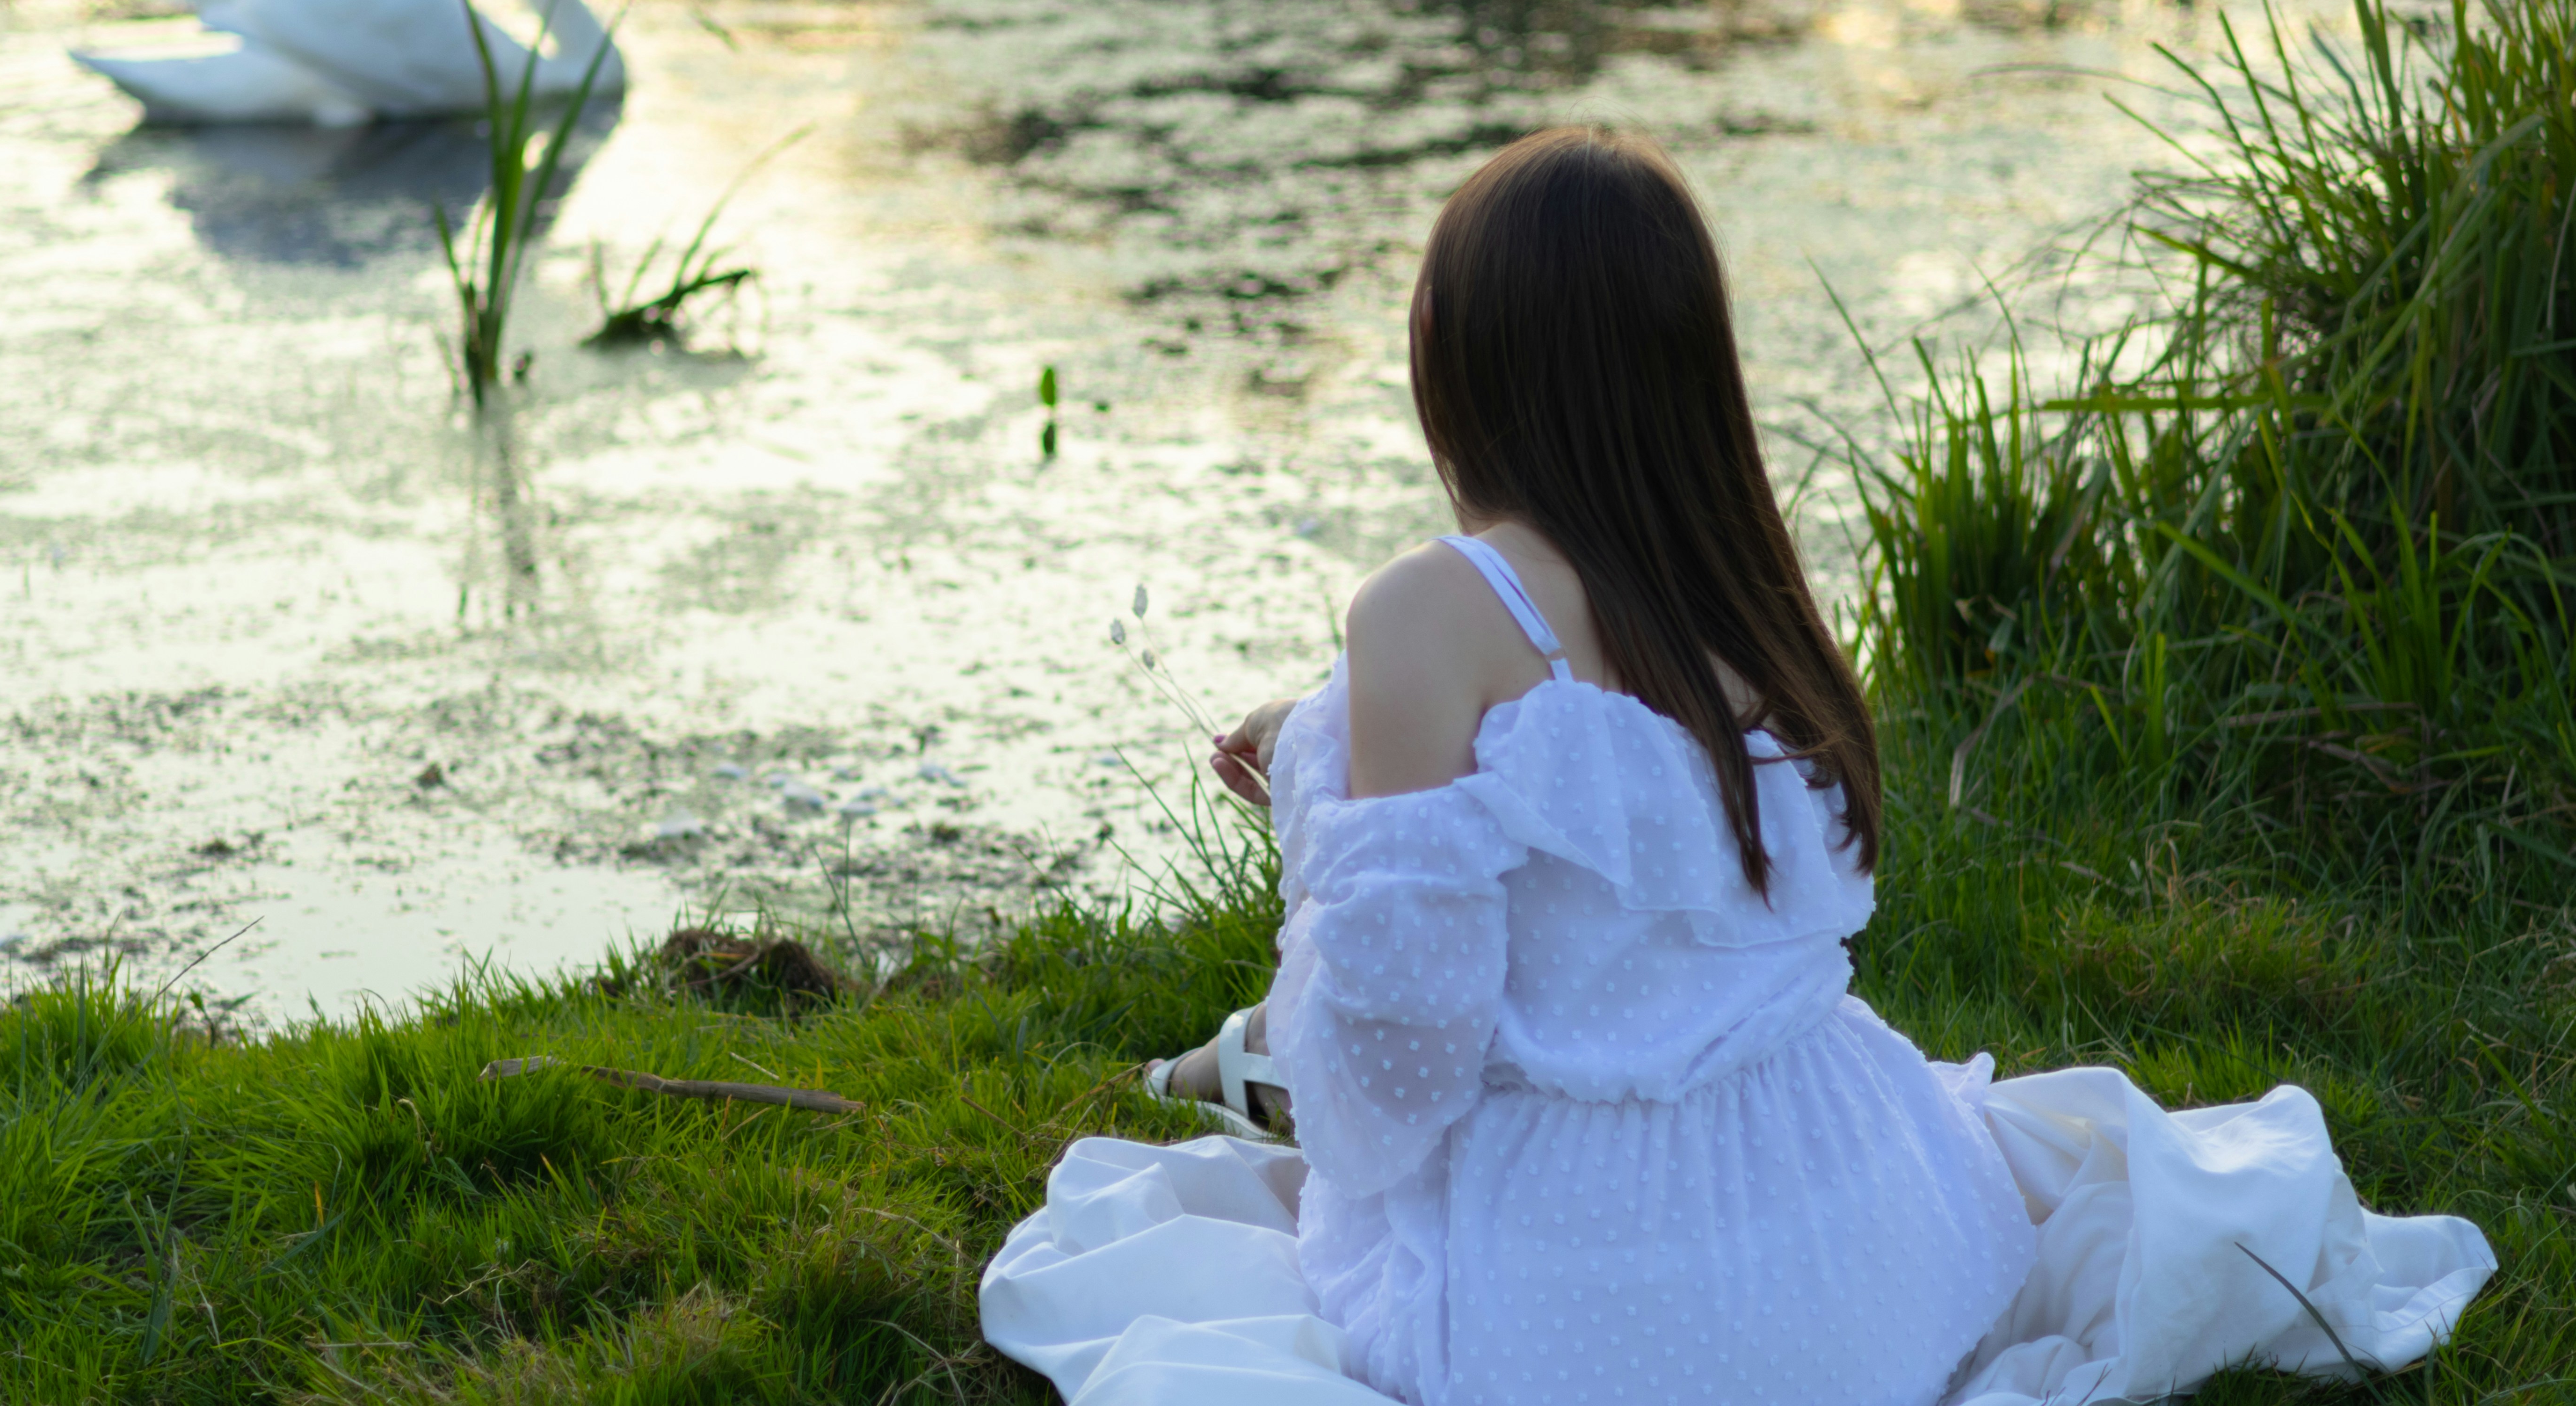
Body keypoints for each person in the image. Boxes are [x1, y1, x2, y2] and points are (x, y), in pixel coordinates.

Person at [980, 128, 2494, 1406]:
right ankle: (1214, 1066)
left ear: (1462, 361)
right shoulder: (1739, 589)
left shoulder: (1421, 613)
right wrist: (1324, 740)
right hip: (1869, 1255)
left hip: (1576, 1316)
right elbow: (1606, 819)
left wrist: (1319, 811)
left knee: (1161, 1237)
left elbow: (1392, 1086)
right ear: (1688, 368)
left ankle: (1210, 1071)